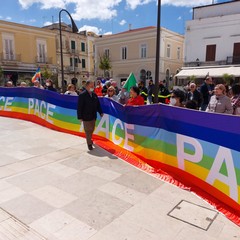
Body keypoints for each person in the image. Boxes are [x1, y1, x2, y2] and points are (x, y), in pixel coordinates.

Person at [77, 80, 103, 150]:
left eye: (93, 86)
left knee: (92, 129)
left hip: (93, 116)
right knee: (88, 130)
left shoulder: (94, 95)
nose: (92, 87)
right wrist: (80, 117)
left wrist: (100, 112)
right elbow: (79, 107)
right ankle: (89, 144)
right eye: (91, 86)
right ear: (87, 86)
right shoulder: (82, 95)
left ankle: (90, 140)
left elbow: (98, 105)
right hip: (86, 116)